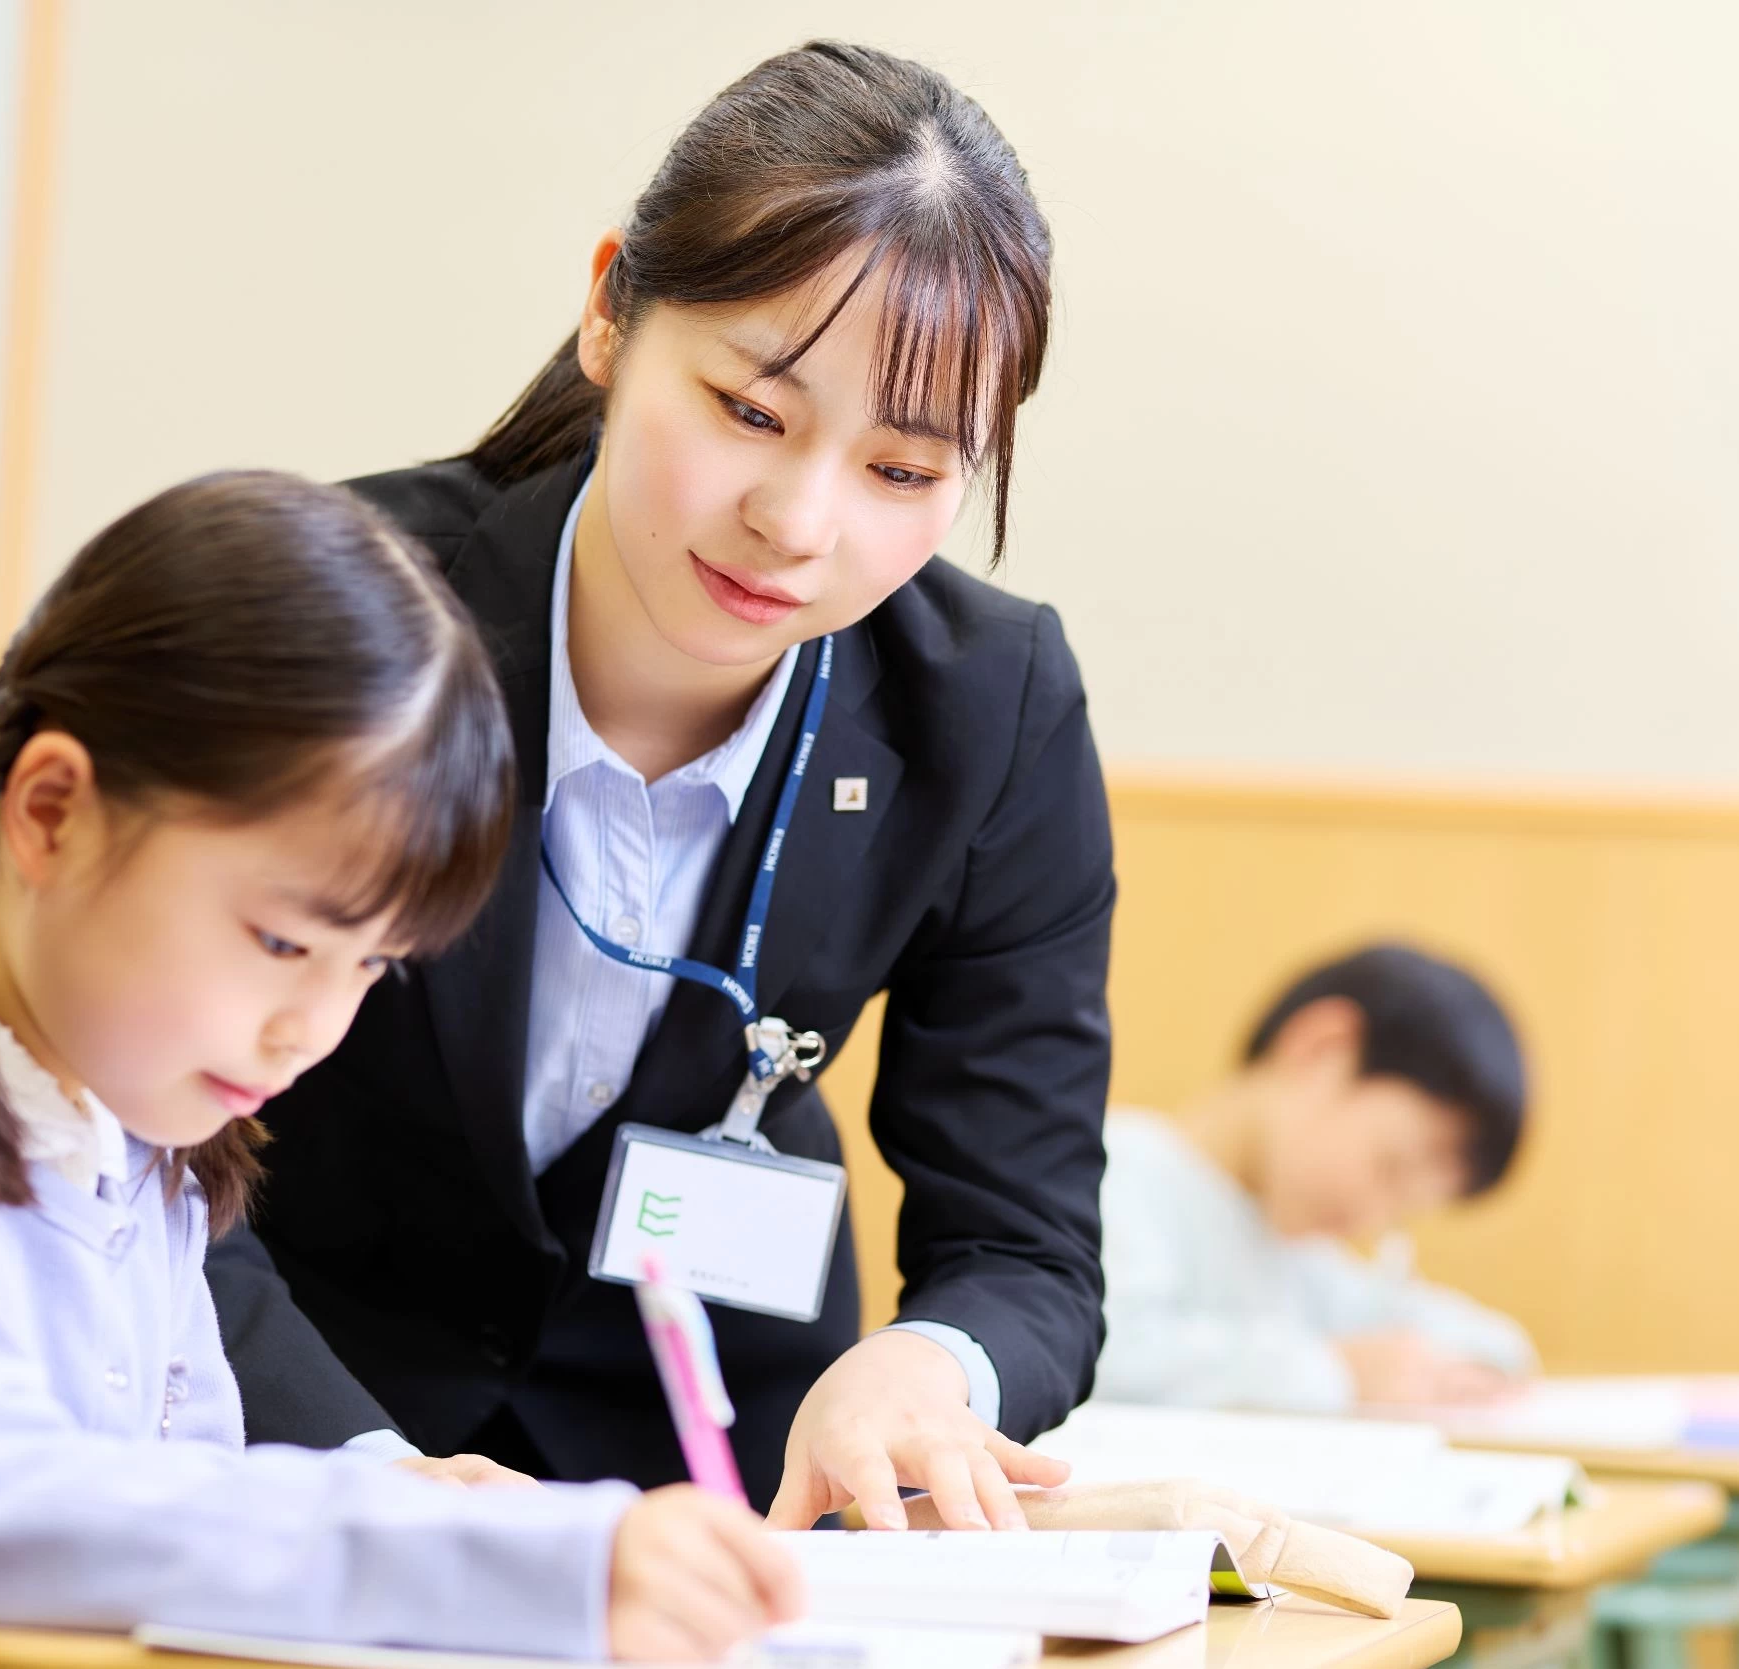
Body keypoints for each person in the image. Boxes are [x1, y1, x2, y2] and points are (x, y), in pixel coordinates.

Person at [0, 472, 799, 1668]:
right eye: (281, 941)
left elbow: (183, 1491)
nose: (311, 1027)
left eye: (372, 968)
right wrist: (468, 1554)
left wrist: (397, 1487)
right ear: (52, 811)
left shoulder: (133, 1126)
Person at [207, 40, 1107, 1534]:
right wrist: (358, 1477)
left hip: (731, 1497)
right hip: (292, 1458)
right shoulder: (332, 612)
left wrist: (928, 1370)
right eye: (751, 411)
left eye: (901, 473)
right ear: (611, 311)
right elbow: (110, 1116)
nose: (796, 522)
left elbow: (1021, 1247)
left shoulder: (990, 708)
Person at [1096, 944, 1537, 1413]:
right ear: (1322, 1049)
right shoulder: (1118, 1171)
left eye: (1403, 1212)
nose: (1373, 1218)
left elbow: (1464, 1334)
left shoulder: (1303, 1254)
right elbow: (1105, 1356)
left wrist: (1484, 1363)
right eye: (1390, 1167)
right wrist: (1336, 1371)